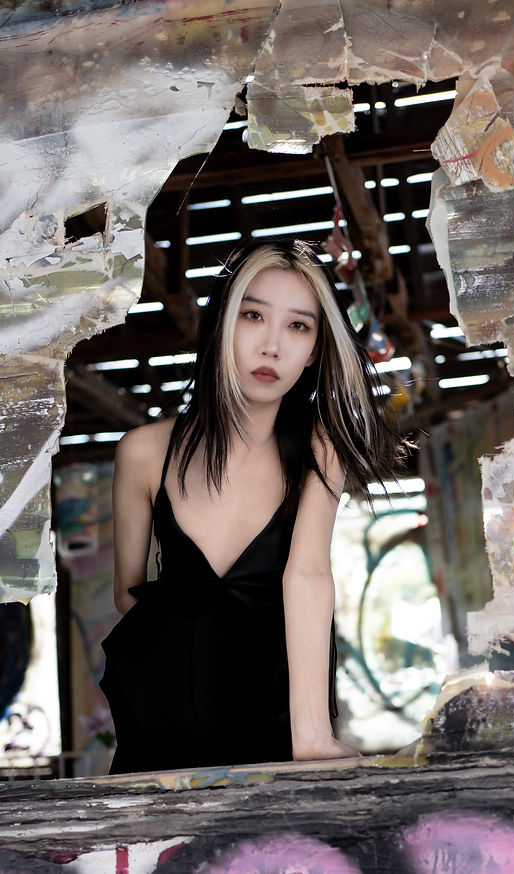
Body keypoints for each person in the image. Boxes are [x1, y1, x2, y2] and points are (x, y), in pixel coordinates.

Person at [100, 238, 403, 774]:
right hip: (160, 721)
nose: (272, 347)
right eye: (253, 316)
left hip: (273, 716)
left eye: (298, 326)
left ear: (315, 349)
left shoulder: (319, 447)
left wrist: (311, 733)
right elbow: (129, 595)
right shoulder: (143, 451)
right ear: (221, 326)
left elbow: (308, 575)